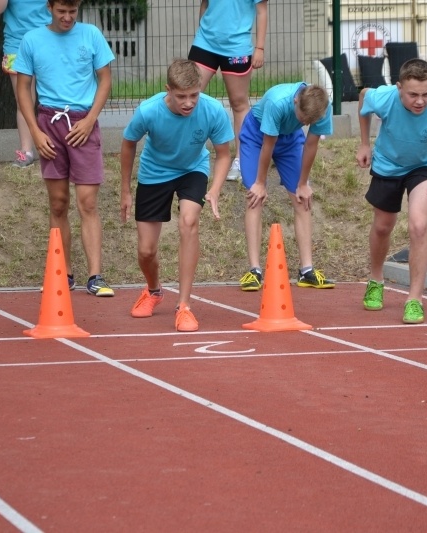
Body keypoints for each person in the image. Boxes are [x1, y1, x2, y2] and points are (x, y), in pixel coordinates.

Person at [120, 59, 233, 332]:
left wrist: (215, 189)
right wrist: (125, 190)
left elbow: (224, 154)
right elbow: (128, 143)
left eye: (194, 95)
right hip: (154, 173)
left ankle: (184, 307)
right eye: (181, 96)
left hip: (192, 169)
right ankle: (153, 290)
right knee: (146, 251)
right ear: (167, 90)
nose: (188, 103)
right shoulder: (148, 111)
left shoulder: (213, 111)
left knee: (189, 222)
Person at [15, 0, 116, 297]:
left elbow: (105, 79)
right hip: (49, 122)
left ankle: (95, 275)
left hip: (83, 123)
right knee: (58, 203)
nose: (68, 17)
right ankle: (63, 273)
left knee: (88, 202)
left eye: (73, 11)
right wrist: (35, 131)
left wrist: (90, 120)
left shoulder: (91, 34)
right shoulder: (32, 39)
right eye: (62, 11)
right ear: (49, 7)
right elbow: (23, 88)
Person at [356, 58, 427, 324]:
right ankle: (375, 280)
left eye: (426, 94)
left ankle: (415, 299)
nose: (420, 101)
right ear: (399, 88)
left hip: (424, 168)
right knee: (383, 226)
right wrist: (363, 143)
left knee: (419, 225)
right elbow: (363, 97)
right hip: (387, 164)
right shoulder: (384, 98)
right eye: (413, 95)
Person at [237, 82, 335, 291]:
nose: (307, 123)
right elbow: (268, 144)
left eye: (311, 121)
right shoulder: (277, 102)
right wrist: (261, 183)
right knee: (255, 197)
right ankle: (254, 270)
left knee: (302, 199)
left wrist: (302, 184)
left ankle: (306, 270)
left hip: (290, 139)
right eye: (303, 119)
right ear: (296, 101)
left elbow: (311, 144)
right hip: (257, 136)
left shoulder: (323, 107)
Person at [189, 0, 268, 182]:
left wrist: (260, 48)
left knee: (239, 103)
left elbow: (262, 11)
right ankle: (187, 155)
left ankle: (241, 160)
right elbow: (205, 3)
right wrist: (202, 32)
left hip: (237, 47)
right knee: (189, 94)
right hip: (205, 42)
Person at [0, 0, 51, 168]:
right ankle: (27, 152)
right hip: (17, 45)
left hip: (48, 40)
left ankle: (57, 147)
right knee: (24, 102)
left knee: (55, 98)